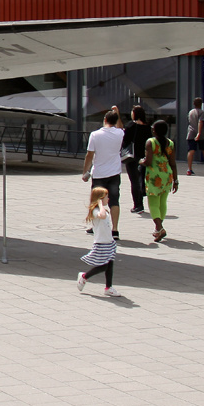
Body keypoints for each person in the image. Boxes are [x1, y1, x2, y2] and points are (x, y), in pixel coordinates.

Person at [81, 108, 124, 239]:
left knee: (96, 201)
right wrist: (117, 112)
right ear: (116, 121)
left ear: (104, 120)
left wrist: (85, 171)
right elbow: (121, 126)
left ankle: (96, 226)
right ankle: (115, 229)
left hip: (99, 172)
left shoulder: (95, 135)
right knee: (114, 201)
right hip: (115, 172)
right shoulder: (120, 133)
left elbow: (89, 155)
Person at [77, 186, 121, 297]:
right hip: (101, 243)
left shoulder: (104, 211)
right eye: (106, 197)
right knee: (104, 265)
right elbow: (101, 216)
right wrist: (100, 205)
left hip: (108, 242)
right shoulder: (96, 211)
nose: (108, 199)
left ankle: (108, 287)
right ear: (100, 199)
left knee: (110, 264)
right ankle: (84, 276)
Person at [144, 119, 178, 242]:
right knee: (163, 202)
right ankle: (158, 229)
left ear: (155, 130)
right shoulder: (170, 143)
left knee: (153, 202)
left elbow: (148, 161)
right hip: (167, 175)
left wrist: (140, 162)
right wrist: (176, 180)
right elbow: (173, 163)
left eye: (153, 128)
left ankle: (159, 227)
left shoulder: (151, 142)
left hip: (154, 176)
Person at [122, 105, 150, 214]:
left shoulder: (131, 126)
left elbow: (125, 141)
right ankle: (141, 202)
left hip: (132, 157)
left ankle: (138, 205)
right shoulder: (148, 127)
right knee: (141, 180)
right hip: (144, 156)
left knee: (134, 181)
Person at [186, 97, 204, 175]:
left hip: (191, 132)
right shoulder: (201, 112)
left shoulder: (191, 112)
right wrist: (199, 133)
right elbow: (200, 122)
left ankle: (189, 169)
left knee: (191, 150)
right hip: (201, 134)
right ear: (201, 104)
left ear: (193, 104)